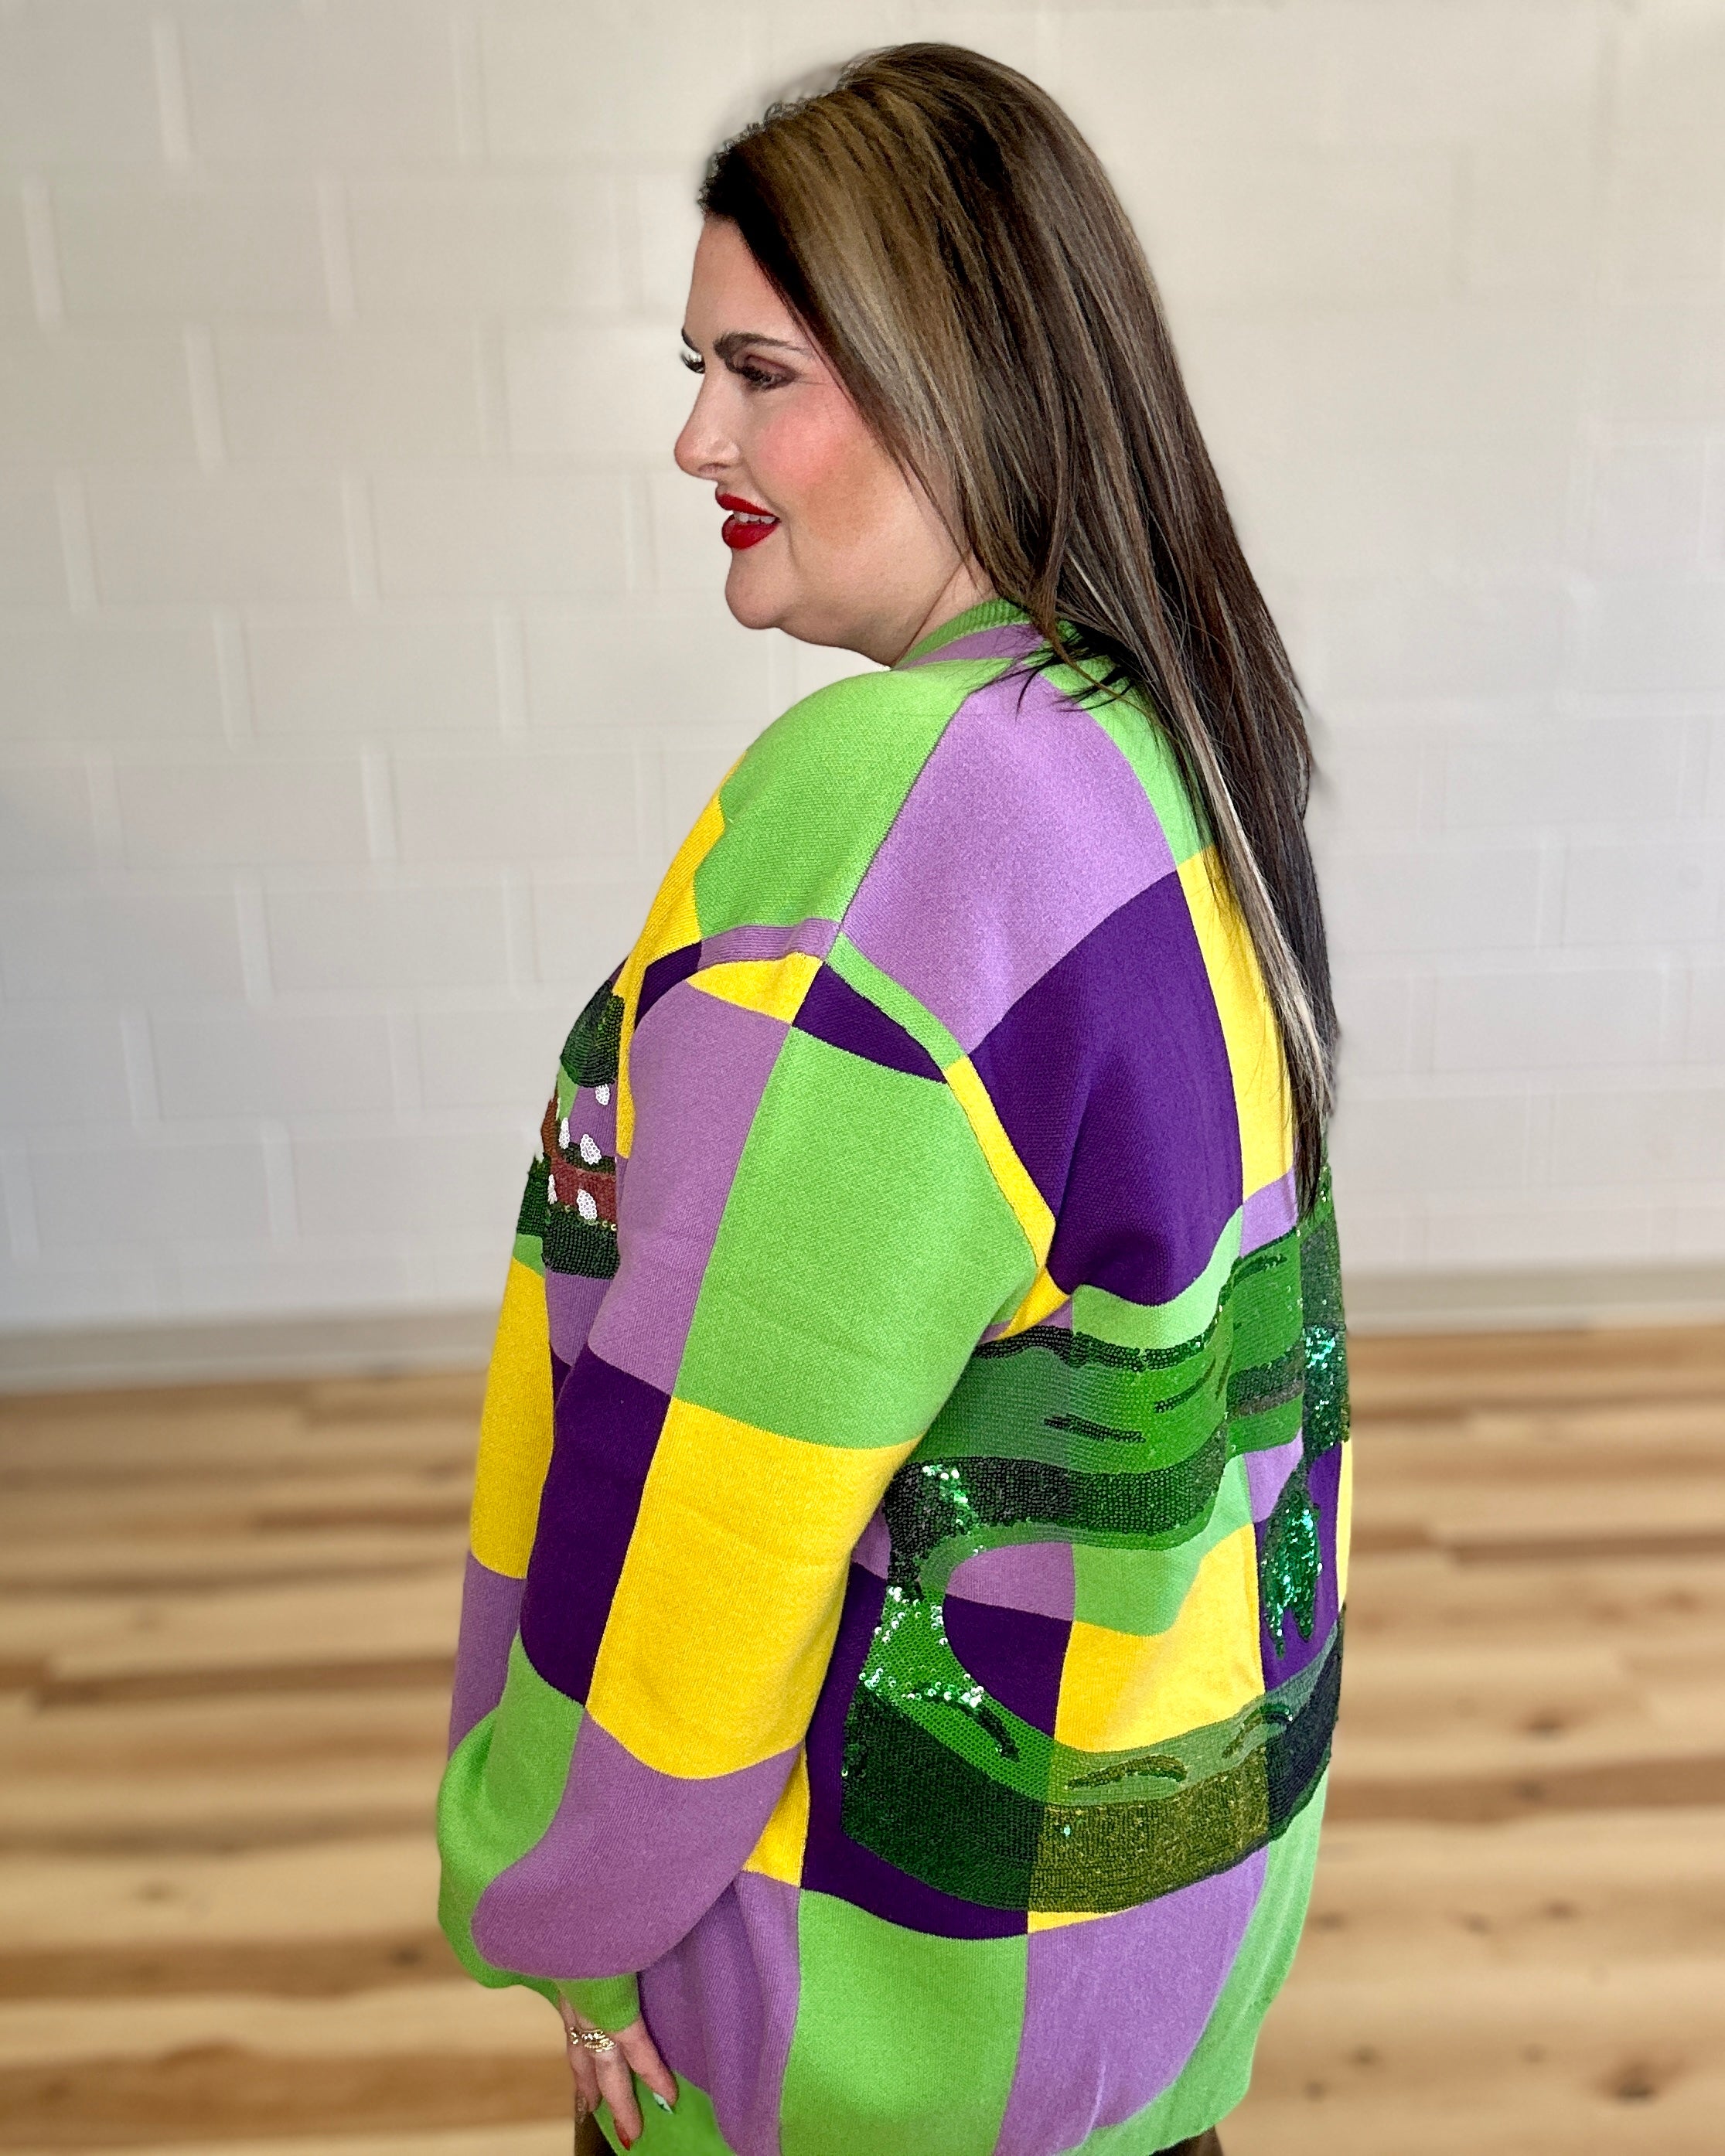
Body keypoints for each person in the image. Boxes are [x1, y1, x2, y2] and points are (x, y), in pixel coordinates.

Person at [436, 42, 1348, 2156]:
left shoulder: (895, 819)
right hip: (1137, 1977)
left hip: (854, 2022)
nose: (697, 438)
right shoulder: (1153, 746)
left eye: (760, 373)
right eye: (697, 371)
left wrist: (566, 1898)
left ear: (965, 377)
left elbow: (722, 1483)